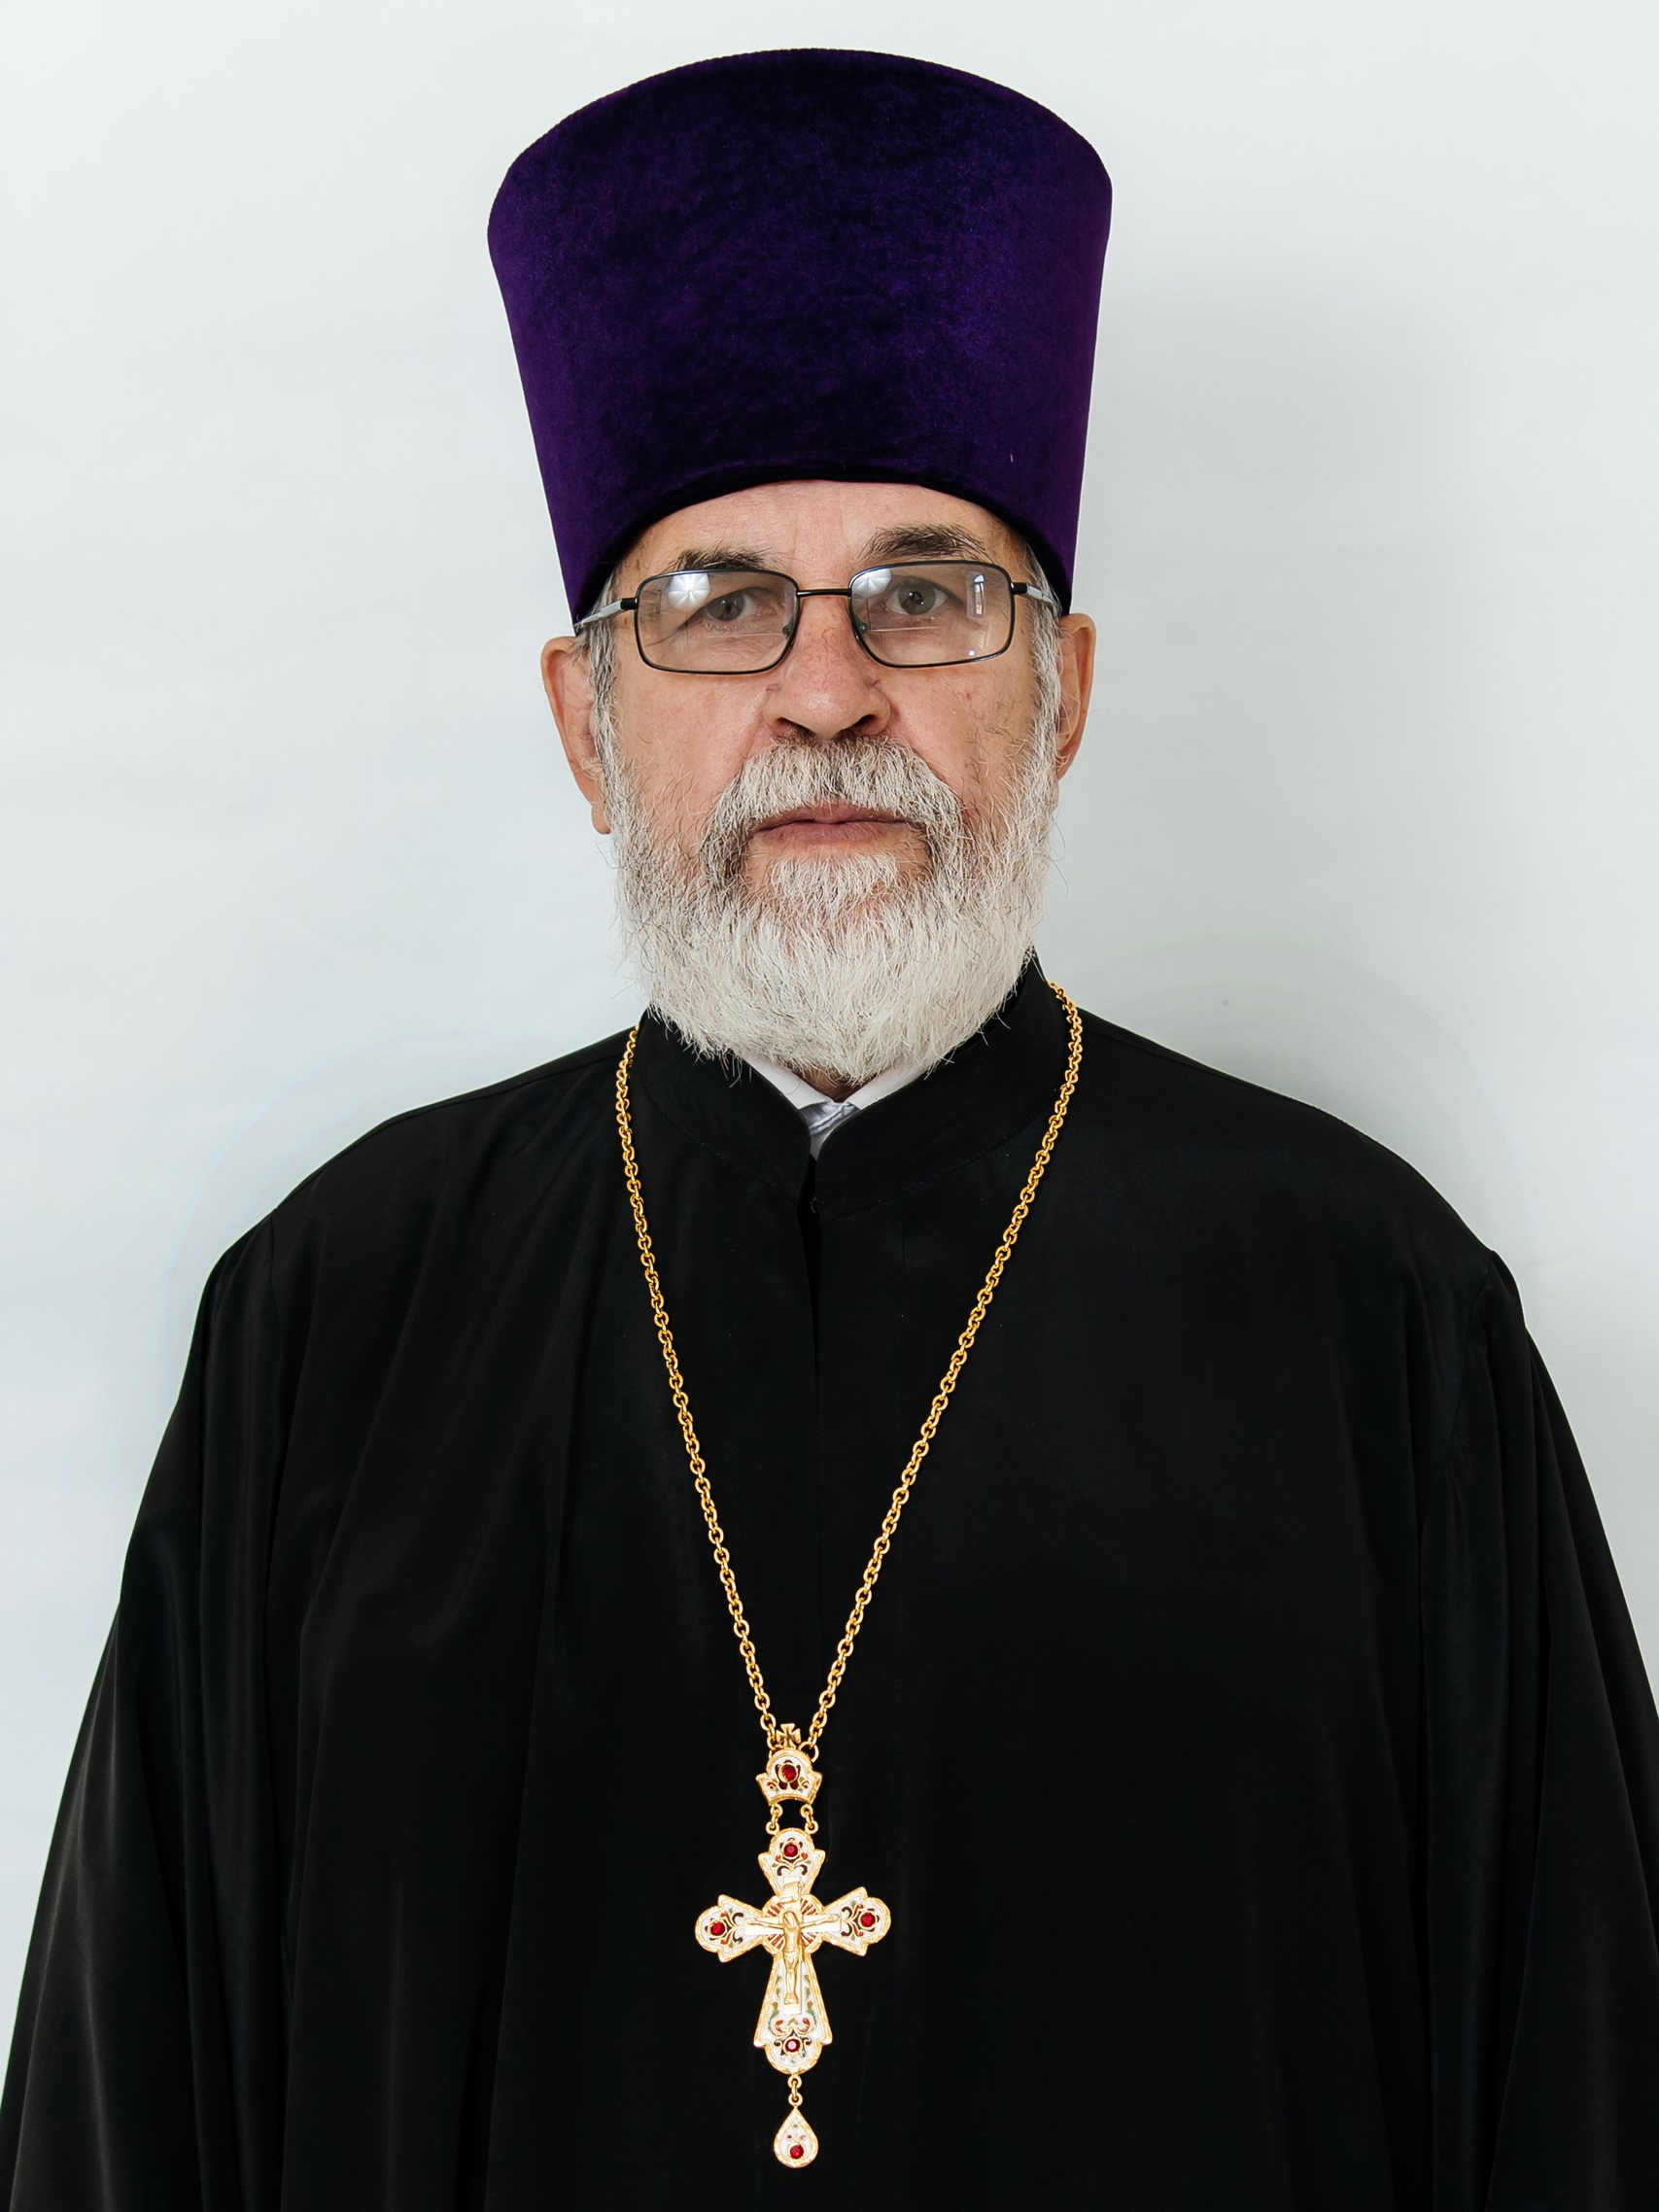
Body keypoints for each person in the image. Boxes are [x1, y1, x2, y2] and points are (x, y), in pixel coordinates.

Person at [3, 46, 1656, 2211]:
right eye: (713, 605)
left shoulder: (1374, 1319)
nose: (824, 690)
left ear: (1060, 692)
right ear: (586, 727)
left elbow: (1584, 2098)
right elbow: (124, 2128)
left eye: (925, 590)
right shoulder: (330, 1325)